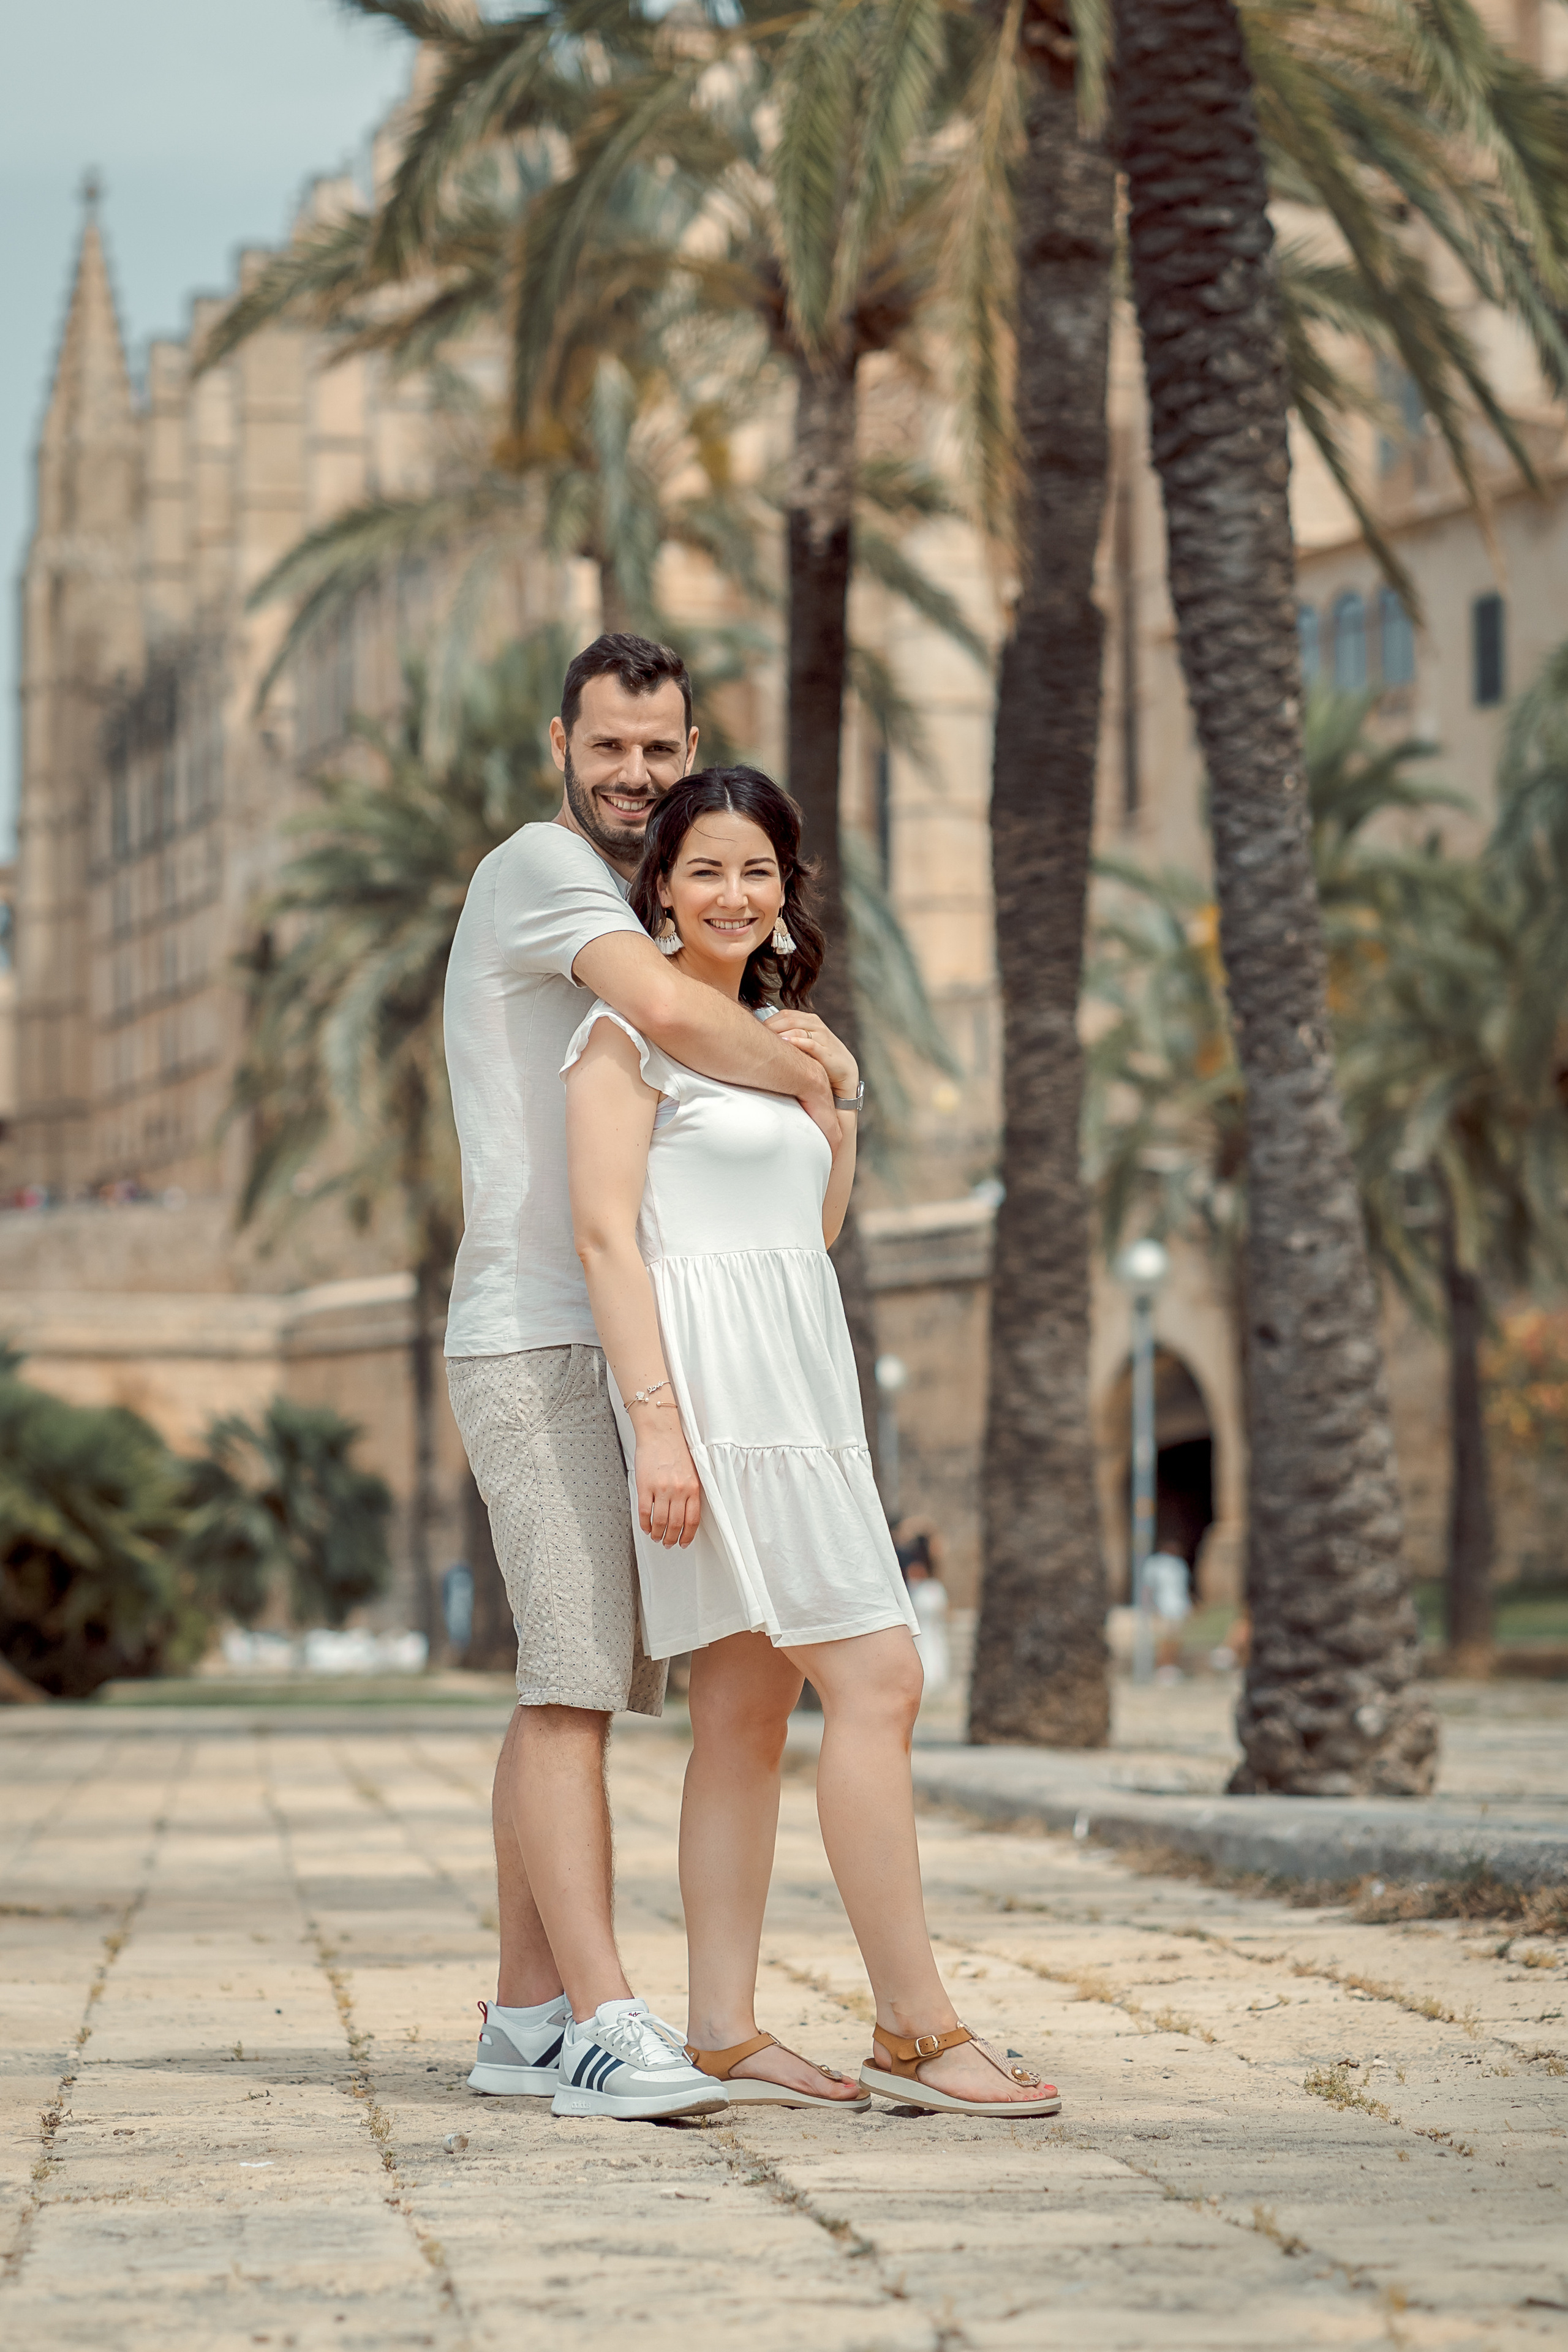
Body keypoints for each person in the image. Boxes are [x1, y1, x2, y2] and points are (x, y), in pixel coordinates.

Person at [564, 767, 1061, 2116]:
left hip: (798, 1381)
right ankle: (914, 2027)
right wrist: (658, 1434)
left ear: (787, 893)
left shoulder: (784, 1036)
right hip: (711, 1398)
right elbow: (608, 1238)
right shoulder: (622, 1035)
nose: (734, 894)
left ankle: (721, 2028)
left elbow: (817, 1231)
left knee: (742, 1708)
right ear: (657, 886)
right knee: (883, 1680)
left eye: (758, 872)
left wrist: (830, 1101)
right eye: (706, 869)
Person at [443, 634, 844, 2122]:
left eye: (661, 753)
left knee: (578, 1675)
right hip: (538, 1336)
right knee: (570, 1686)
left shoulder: (624, 891)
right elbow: (673, 1016)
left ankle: (526, 2016)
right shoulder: (541, 872)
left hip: (608, 1343)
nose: (634, 776)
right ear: (562, 741)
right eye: (610, 747)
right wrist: (818, 1069)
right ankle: (611, 2026)